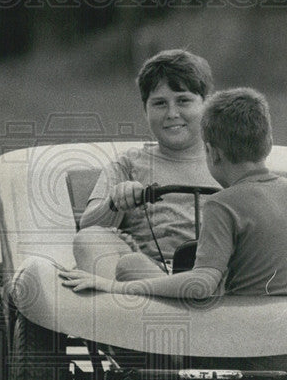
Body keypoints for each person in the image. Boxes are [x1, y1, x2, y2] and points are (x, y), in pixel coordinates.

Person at [60, 87, 287, 299]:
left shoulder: (222, 204)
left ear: (211, 153)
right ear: (267, 144)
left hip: (242, 344)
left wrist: (112, 286)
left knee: (130, 266)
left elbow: (201, 284)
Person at [73, 48, 220, 281]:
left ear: (206, 105)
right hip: (146, 276)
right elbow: (88, 226)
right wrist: (116, 201)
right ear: (145, 110)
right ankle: (125, 308)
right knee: (89, 239)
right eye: (160, 104)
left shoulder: (229, 159)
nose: (172, 113)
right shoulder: (129, 164)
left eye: (183, 101)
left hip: (220, 272)